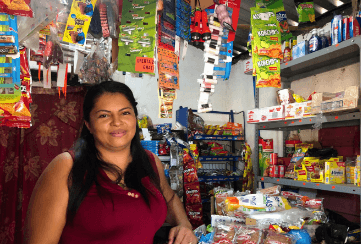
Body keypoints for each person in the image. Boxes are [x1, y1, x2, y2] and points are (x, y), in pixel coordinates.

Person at [24, 81, 198, 244]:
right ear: (89, 125)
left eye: (125, 113)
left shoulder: (150, 162)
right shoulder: (66, 166)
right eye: (104, 115)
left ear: (135, 118)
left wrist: (184, 225)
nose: (117, 122)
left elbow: (169, 198)